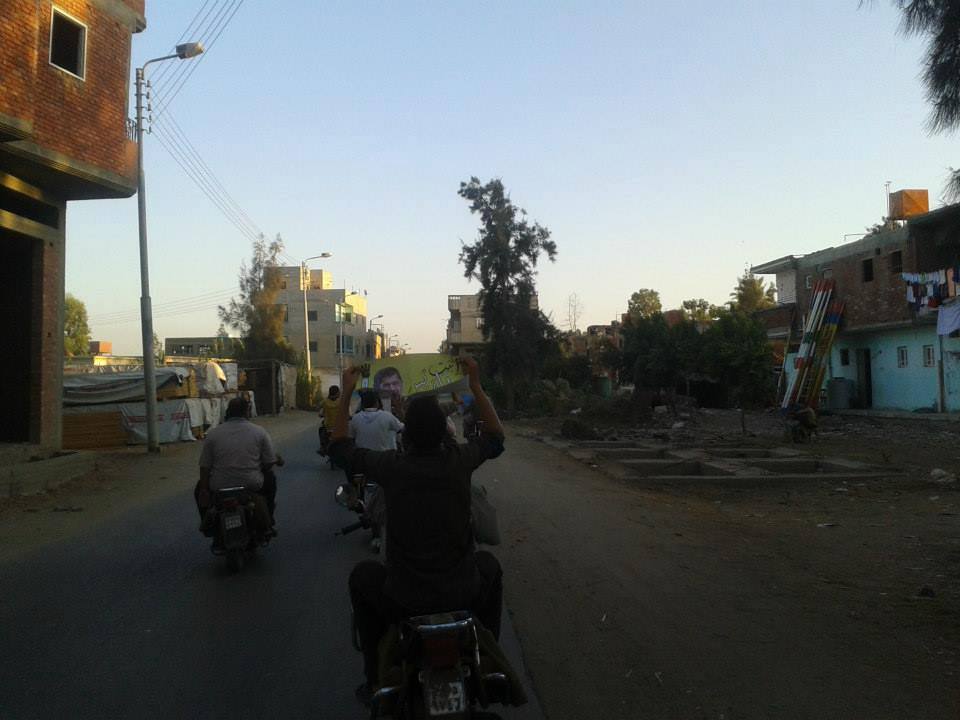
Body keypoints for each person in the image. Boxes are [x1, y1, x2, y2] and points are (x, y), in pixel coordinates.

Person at [330, 356, 505, 703]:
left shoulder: (391, 466)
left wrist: (347, 390)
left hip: (403, 597)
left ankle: (374, 675)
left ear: (406, 433)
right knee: (490, 566)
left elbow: (338, 448)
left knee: (362, 577)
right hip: (462, 592)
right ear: (444, 432)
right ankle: (489, 659)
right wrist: (475, 385)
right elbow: (496, 439)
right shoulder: (459, 461)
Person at [195, 396, 282, 532]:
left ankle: (207, 525)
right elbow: (269, 462)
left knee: (199, 488)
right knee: (270, 479)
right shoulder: (259, 431)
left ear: (228, 412)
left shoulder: (213, 434)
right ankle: (268, 519)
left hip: (219, 486)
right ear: (247, 412)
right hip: (251, 484)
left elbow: (205, 467)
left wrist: (204, 490)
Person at [349, 389, 405, 552]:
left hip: (364, 465)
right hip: (387, 464)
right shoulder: (387, 417)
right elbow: (403, 429)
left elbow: (350, 440)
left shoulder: (355, 419)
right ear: (377, 402)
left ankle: (371, 526)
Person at [318, 385, 341, 455]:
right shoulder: (340, 401)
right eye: (339, 392)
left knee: (320, 430)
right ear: (337, 393)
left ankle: (322, 447)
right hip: (339, 426)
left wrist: (322, 414)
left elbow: (318, 407)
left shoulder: (325, 401)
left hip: (328, 426)